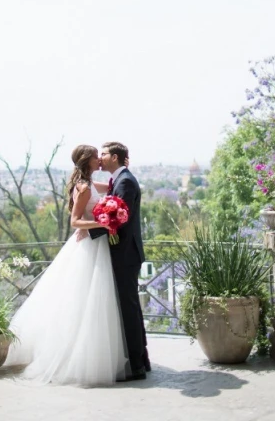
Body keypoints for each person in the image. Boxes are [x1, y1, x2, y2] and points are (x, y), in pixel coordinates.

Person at [4, 144, 128, 386]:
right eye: (96, 157)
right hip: (89, 245)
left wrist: (116, 199)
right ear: (87, 160)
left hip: (97, 245)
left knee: (94, 302)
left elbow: (111, 190)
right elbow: (75, 221)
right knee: (83, 301)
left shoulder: (89, 183)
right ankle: (77, 359)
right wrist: (102, 223)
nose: (99, 161)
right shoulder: (83, 187)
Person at [90, 141, 150, 380]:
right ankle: (140, 360)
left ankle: (136, 365)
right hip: (125, 253)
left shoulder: (124, 181)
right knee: (130, 308)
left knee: (128, 309)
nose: (100, 157)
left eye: (103, 153)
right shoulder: (119, 179)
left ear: (114, 157)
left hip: (125, 254)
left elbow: (119, 220)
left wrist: (89, 233)